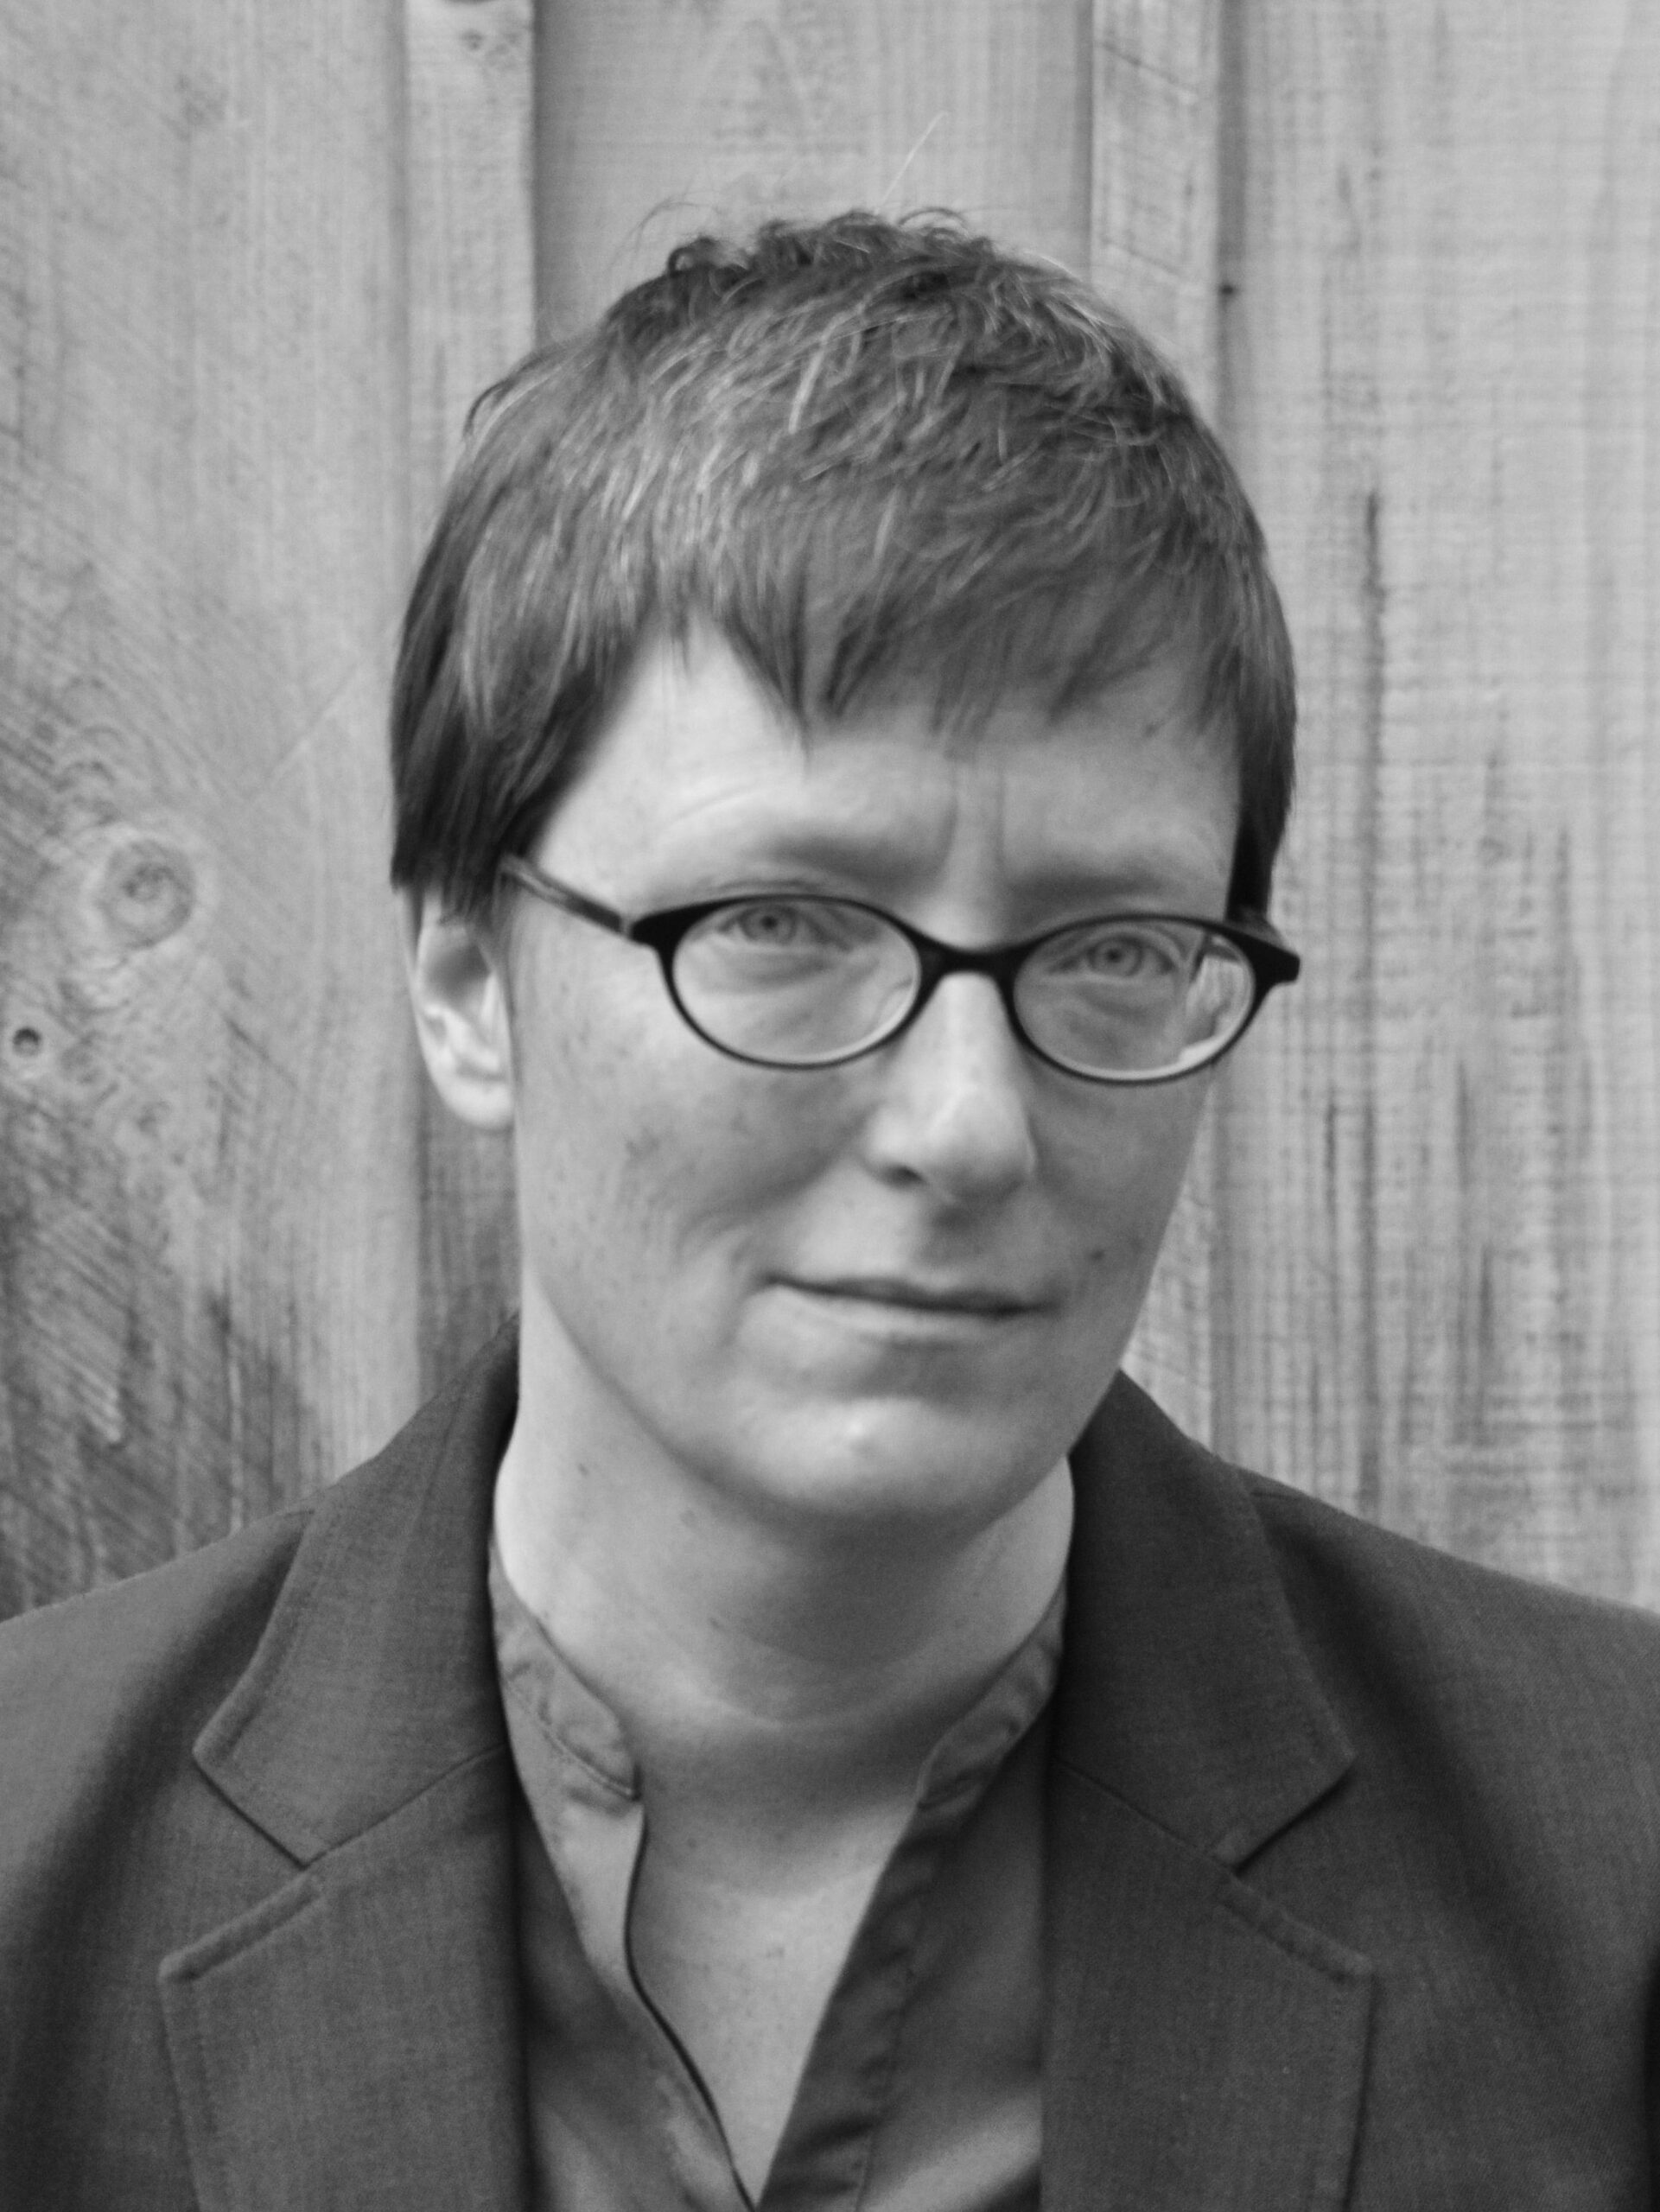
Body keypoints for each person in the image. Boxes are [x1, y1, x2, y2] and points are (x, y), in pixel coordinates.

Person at [0, 212, 1657, 2211]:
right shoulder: (24, 1860)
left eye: (1114, 947)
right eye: (781, 925)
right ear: (466, 984)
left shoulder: (1617, 1872)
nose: (968, 1125)